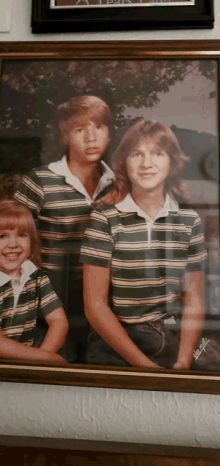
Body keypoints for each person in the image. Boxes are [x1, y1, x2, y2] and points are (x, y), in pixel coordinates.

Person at [80, 120, 207, 370]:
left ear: (172, 163)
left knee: (207, 358)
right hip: (115, 342)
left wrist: (183, 361)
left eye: (158, 154)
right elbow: (94, 305)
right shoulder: (105, 218)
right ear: (124, 163)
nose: (147, 163)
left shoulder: (189, 222)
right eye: (137, 154)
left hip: (169, 338)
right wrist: (145, 367)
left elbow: (195, 301)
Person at [14, 95, 115, 362]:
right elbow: (10, 234)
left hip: (104, 300)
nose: (91, 137)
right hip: (50, 304)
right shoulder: (40, 180)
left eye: (99, 128)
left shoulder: (119, 183)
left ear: (109, 132)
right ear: (65, 136)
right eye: (80, 130)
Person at [0, 200, 68, 362]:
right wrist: (43, 358)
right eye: (2, 236)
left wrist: (42, 361)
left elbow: (58, 321)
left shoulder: (36, 276)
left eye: (21, 235)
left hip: (25, 364)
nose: (13, 244)